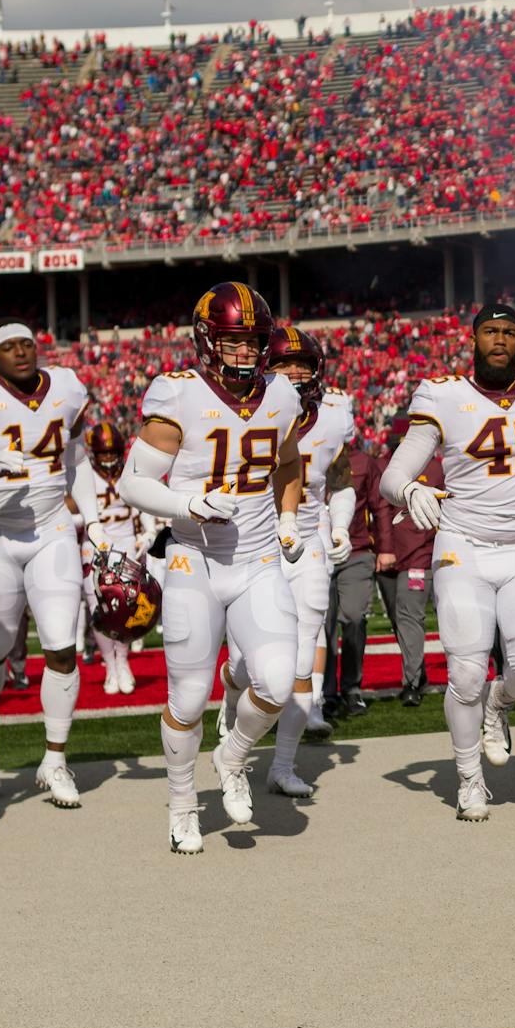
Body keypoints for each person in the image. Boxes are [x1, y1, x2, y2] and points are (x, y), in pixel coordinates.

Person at [119, 282, 307, 854]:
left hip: (256, 559)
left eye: (254, 341)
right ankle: (181, 804)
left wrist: (290, 517)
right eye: (234, 341)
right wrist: (187, 504)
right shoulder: (177, 395)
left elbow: (289, 461)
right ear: (207, 340)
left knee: (276, 682)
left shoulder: (282, 395)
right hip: (192, 557)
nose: (247, 352)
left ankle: (232, 756)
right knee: (189, 693)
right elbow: (132, 482)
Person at [379, 304, 515, 821]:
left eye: (509, 332)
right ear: (473, 339)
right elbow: (393, 474)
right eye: (490, 331)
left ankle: (500, 703)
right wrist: (408, 491)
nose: (500, 340)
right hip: (462, 543)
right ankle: (469, 778)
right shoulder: (444, 395)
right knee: (465, 672)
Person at [0, 321, 95, 805]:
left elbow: (75, 452)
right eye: (8, 346)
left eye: (27, 343)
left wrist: (87, 518)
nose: (20, 352)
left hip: (52, 529)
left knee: (61, 645)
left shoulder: (69, 387)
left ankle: (55, 760)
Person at [217, 327, 354, 798]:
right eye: (282, 364)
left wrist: (339, 526)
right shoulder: (244, 410)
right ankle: (232, 694)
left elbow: (341, 479)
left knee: (303, 646)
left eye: (303, 364)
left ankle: (283, 764)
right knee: (244, 659)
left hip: (307, 540)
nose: (294, 372)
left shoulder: (334, 416)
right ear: (262, 367)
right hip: (252, 540)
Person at [370, 420, 439, 708]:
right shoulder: (383, 466)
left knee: (412, 619)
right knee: (402, 621)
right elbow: (378, 509)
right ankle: (416, 677)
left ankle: (412, 682)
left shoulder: (435, 468)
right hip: (392, 558)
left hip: (421, 557)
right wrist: (384, 549)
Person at [78, 420, 150, 696]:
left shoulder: (129, 473)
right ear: (94, 454)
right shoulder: (84, 475)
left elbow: (142, 504)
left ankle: (123, 662)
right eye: (103, 454)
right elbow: (69, 512)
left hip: (126, 545)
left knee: (127, 609)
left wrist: (148, 530)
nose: (108, 458)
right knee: (99, 609)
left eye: (112, 453)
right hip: (94, 547)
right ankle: (109, 665)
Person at [328, 437, 382, 715]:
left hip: (357, 550)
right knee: (321, 626)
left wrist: (385, 549)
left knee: (353, 617)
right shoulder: (298, 449)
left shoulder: (363, 461)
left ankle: (351, 688)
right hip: (314, 553)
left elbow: (378, 505)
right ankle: (324, 692)